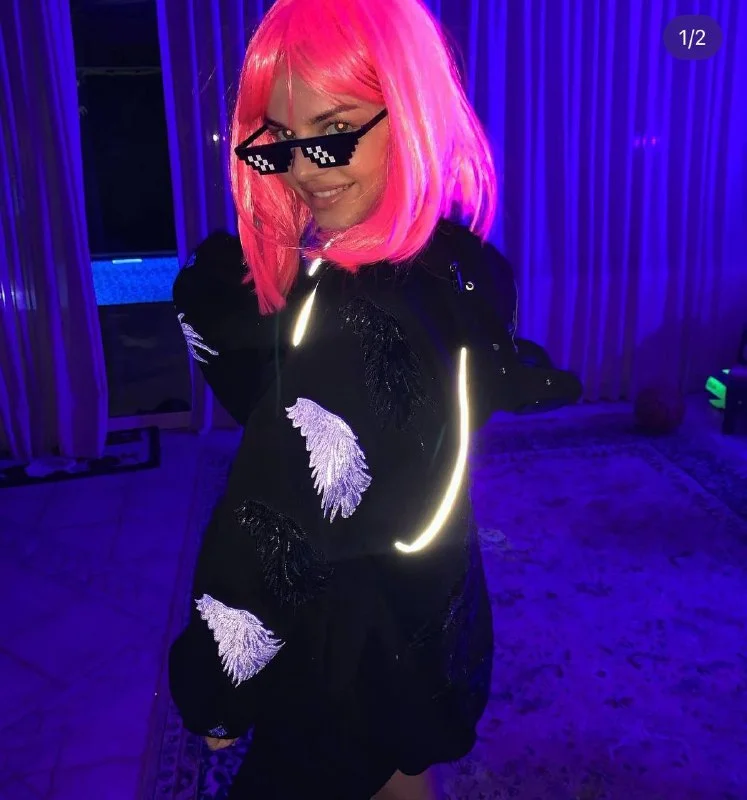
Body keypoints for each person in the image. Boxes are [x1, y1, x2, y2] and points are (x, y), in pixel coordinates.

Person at [169, 0, 532, 796]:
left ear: (409, 111)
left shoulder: (354, 316)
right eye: (279, 140)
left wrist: (215, 686)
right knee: (398, 766)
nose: (304, 168)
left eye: (333, 131)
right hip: (428, 589)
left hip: (346, 631)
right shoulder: (459, 263)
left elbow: (268, 528)